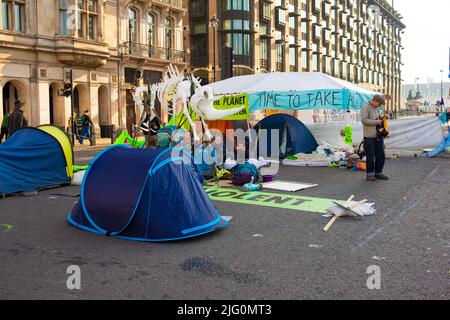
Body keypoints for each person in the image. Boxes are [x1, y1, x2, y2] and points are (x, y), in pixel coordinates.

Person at [361, 94, 389, 181]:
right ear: (375, 101)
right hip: (369, 136)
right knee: (370, 156)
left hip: (378, 135)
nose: (380, 105)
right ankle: (369, 174)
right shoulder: (365, 107)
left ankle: (378, 173)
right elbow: (364, 120)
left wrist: (383, 117)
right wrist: (377, 122)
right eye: (379, 104)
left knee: (380, 154)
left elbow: (377, 119)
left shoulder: (376, 108)